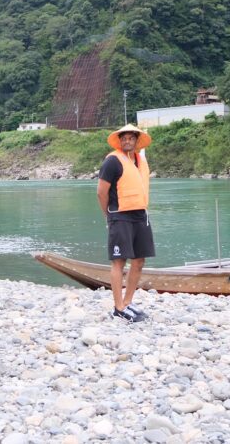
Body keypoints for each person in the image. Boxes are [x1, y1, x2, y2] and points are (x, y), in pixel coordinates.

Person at [97, 123, 155, 322]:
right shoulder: (112, 161)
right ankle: (118, 306)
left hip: (140, 215)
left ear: (136, 141)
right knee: (119, 261)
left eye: (131, 137)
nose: (127, 140)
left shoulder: (140, 160)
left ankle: (128, 302)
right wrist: (109, 216)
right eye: (124, 138)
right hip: (119, 215)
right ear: (120, 140)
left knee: (139, 260)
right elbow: (101, 192)